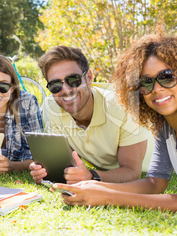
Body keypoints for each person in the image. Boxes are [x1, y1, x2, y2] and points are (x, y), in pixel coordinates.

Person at [53, 32, 177, 213]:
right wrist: (97, 187)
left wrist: (107, 197)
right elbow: (154, 183)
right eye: (145, 83)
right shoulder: (165, 126)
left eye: (167, 77)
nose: (157, 89)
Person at [30, 46, 154, 184]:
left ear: (89, 77)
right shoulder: (52, 106)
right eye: (55, 85)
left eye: (73, 80)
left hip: (150, 169)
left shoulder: (121, 105)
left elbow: (132, 172)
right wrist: (43, 170)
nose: (65, 90)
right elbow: (68, 164)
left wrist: (91, 176)